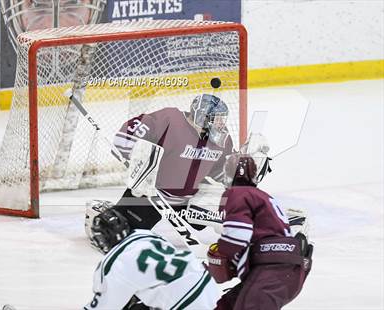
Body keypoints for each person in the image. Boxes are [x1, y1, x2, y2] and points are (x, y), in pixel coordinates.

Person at [110, 93, 234, 230]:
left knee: (222, 224)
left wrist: (239, 176)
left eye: (222, 119)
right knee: (124, 230)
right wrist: (136, 156)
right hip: (153, 196)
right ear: (201, 116)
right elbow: (124, 139)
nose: (221, 124)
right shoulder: (170, 119)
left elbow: (221, 170)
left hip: (187, 201)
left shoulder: (222, 140)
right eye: (216, 119)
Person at [206, 154, 313, 310]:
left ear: (228, 174)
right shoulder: (262, 196)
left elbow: (237, 237)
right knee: (226, 306)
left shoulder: (237, 194)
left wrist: (221, 255)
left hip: (272, 270)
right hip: (286, 270)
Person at [84, 205, 221, 310]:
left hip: (184, 302)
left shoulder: (113, 263)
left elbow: (104, 306)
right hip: (207, 283)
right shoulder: (145, 234)